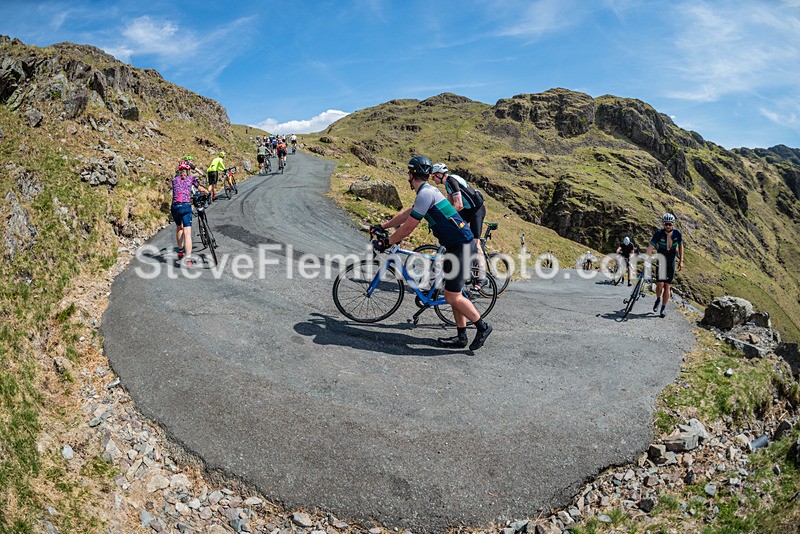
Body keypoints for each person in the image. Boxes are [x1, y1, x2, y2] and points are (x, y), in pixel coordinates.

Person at [371, 156, 493, 350]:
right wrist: (382, 225)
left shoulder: (425, 194)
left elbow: (409, 226)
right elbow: (407, 214)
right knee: (453, 293)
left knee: (453, 296)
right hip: (455, 245)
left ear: (411, 175)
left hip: (461, 245)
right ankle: (461, 337)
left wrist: (387, 241)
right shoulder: (427, 192)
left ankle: (483, 327)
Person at [430, 163, 488, 284]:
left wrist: (446, 218)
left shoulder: (451, 181)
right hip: (467, 210)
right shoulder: (447, 184)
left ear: (439, 174)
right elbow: (449, 205)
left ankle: (482, 277)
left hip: (477, 210)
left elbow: (458, 205)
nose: (432, 178)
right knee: (454, 233)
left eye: (434, 176)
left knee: (476, 243)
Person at [646, 213, 684, 318]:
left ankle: (663, 308)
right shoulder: (659, 233)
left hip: (671, 261)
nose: (668, 226)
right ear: (663, 224)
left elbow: (681, 246)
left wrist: (681, 260)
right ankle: (658, 299)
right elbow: (651, 246)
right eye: (666, 224)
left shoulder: (677, 234)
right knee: (659, 284)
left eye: (670, 224)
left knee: (667, 285)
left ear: (673, 224)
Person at [171, 163, 208, 267]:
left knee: (179, 228)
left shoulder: (174, 180)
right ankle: (188, 260)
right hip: (185, 207)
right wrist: (206, 191)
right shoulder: (191, 179)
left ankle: (180, 251)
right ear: (188, 172)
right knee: (187, 233)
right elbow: (199, 188)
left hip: (175, 207)